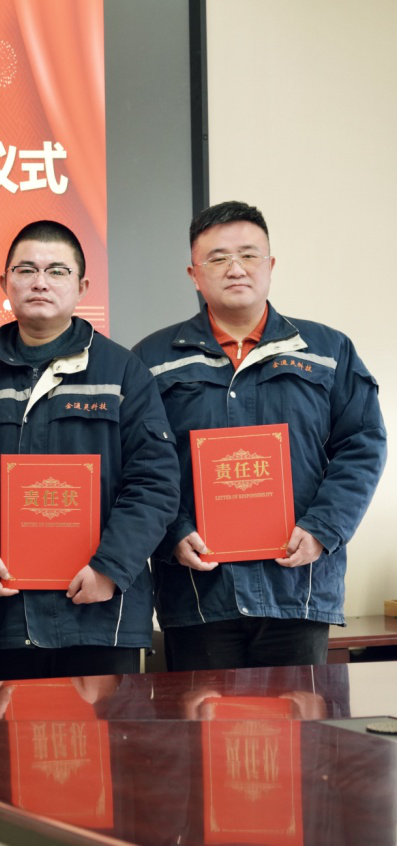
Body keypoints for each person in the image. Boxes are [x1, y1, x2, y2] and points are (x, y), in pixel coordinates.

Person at [133, 201, 386, 670]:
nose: (236, 269)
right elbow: (138, 461)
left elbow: (362, 445)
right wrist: (172, 533)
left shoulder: (327, 350)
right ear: (193, 274)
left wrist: (323, 529)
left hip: (297, 586)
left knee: (297, 717)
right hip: (198, 590)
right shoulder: (152, 359)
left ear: (271, 265)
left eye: (249, 255)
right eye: (218, 258)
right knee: (202, 717)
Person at [0, 220, 179, 681]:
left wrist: (110, 568)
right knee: (15, 729)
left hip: (103, 612)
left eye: (57, 271)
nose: (40, 282)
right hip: (8, 612)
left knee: (103, 731)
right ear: (4, 282)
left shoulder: (123, 371)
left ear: (82, 286)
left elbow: (155, 482)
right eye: (26, 270)